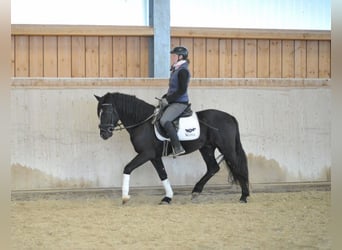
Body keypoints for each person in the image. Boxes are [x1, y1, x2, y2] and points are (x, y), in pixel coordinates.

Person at [160, 46, 191, 156]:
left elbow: (181, 90)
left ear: (180, 57)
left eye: (174, 55)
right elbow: (173, 88)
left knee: (164, 120)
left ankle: (178, 147)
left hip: (180, 103)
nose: (172, 58)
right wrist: (165, 97)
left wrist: (168, 99)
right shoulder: (176, 69)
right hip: (173, 100)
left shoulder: (183, 71)